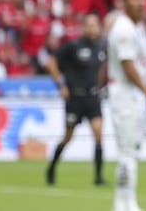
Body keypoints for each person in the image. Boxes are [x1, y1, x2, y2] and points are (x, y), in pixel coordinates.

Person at [107, 0, 146, 211]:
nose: (140, 3)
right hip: (126, 96)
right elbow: (128, 65)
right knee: (128, 152)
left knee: (130, 151)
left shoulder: (137, 28)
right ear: (124, 2)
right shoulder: (124, 29)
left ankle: (125, 202)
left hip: (131, 97)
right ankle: (126, 204)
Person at [45, 14, 107, 186]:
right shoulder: (72, 47)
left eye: (96, 25)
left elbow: (101, 70)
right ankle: (51, 169)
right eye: (90, 25)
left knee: (99, 134)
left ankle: (98, 177)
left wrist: (99, 87)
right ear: (83, 27)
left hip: (93, 97)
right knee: (68, 136)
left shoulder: (100, 49)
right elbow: (51, 64)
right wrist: (61, 85)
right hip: (75, 98)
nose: (93, 29)